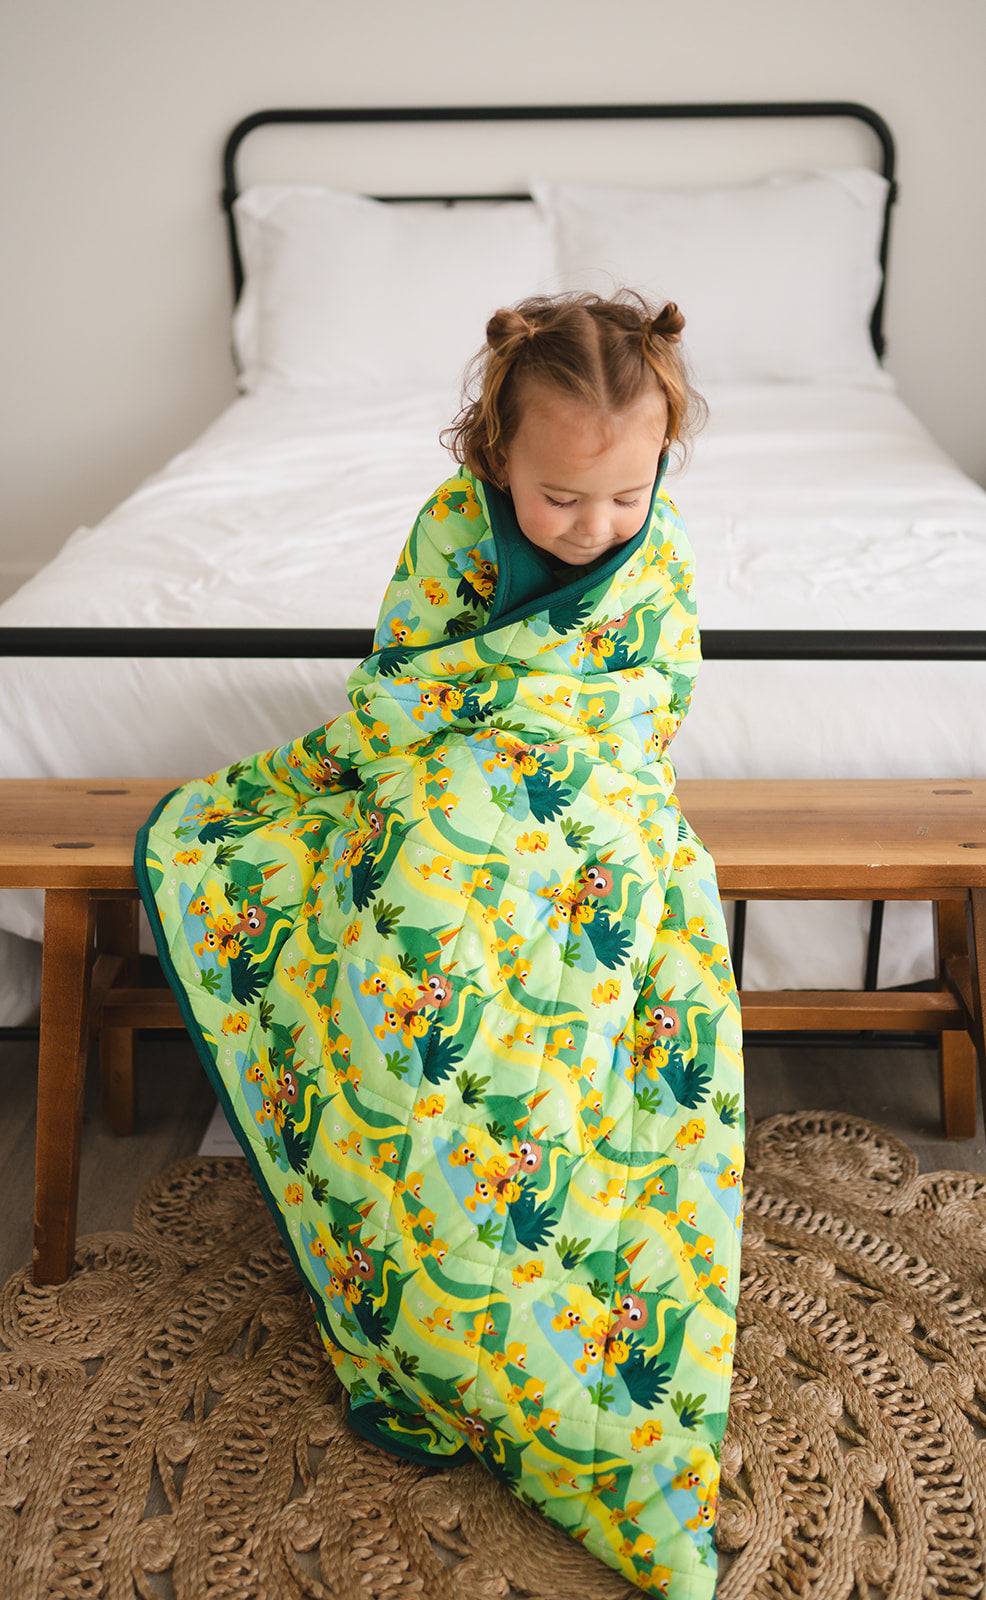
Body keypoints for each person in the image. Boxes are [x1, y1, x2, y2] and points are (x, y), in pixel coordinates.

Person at [134, 287, 745, 1600]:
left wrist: (546, 756)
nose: (592, 528)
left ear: (660, 463)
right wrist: (474, 749)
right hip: (452, 771)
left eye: (623, 497)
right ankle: (416, 1191)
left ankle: (549, 1205)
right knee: (404, 891)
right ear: (495, 455)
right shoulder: (451, 530)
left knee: (612, 924)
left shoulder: (662, 554)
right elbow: (404, 687)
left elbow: (644, 703)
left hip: (589, 786)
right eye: (559, 498)